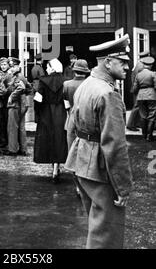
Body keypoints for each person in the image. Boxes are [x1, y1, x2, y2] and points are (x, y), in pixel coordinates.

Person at [65, 34, 133, 249]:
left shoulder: (86, 85)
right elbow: (114, 145)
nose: (127, 68)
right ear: (107, 62)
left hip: (82, 163)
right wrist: (123, 187)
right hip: (101, 169)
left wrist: (72, 160)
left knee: (96, 228)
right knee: (107, 236)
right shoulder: (108, 93)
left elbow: (71, 127)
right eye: (122, 62)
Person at [33, 58, 68, 182]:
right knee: (60, 139)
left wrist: (38, 112)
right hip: (61, 112)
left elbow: (38, 99)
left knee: (49, 139)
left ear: (52, 68)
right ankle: (57, 166)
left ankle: (53, 168)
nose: (46, 69)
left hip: (46, 113)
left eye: (48, 67)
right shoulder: (65, 81)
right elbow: (67, 99)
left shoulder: (43, 81)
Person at [63, 59, 90, 196]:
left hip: (71, 120)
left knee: (72, 152)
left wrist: (69, 114)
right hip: (86, 119)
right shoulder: (89, 84)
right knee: (86, 152)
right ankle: (86, 185)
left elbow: (66, 103)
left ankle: (77, 186)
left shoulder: (67, 84)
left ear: (74, 70)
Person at [3, 58, 33, 156]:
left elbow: (22, 87)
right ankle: (23, 149)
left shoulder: (15, 77)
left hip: (15, 104)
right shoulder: (22, 76)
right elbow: (29, 88)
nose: (10, 68)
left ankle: (12, 149)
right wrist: (23, 95)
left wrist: (12, 96)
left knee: (12, 127)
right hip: (23, 103)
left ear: (16, 66)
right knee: (21, 127)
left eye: (12, 66)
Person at [132, 56, 156, 142]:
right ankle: (149, 136)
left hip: (140, 96)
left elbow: (135, 88)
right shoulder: (153, 74)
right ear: (150, 65)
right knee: (152, 115)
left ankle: (144, 135)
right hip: (151, 95)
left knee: (143, 115)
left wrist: (138, 94)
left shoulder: (138, 75)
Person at [127, 51, 149, 131]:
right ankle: (130, 124)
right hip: (139, 89)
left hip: (137, 88)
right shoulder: (141, 66)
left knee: (140, 106)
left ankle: (138, 123)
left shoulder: (138, 64)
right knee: (137, 106)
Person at [0, 57, 10, 149]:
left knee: (8, 121)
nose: (3, 66)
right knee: (1, 121)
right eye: (1, 65)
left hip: (8, 99)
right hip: (1, 100)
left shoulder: (10, 74)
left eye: (5, 64)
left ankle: (7, 140)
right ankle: (2, 140)